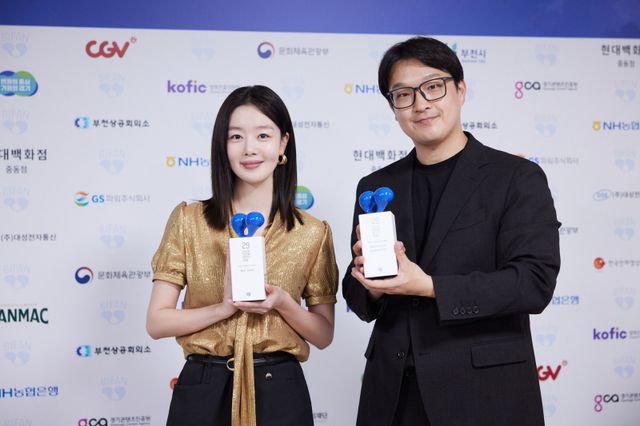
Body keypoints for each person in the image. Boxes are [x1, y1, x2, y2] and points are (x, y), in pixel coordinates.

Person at [342, 37, 560, 426]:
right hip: (392, 395)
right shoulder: (376, 185)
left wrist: (429, 286)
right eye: (403, 94)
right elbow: (358, 299)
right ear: (393, 109)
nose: (420, 103)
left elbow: (533, 283)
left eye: (433, 87)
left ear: (460, 90)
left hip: (483, 394)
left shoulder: (515, 178)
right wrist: (371, 284)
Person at [147, 85, 338, 426]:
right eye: (236, 136)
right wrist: (223, 309)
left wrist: (283, 303)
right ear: (222, 146)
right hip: (204, 388)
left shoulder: (312, 232)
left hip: (280, 392)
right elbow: (157, 322)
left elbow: (323, 334)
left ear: (283, 143)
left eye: (263, 135)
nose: (249, 148)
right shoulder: (189, 220)